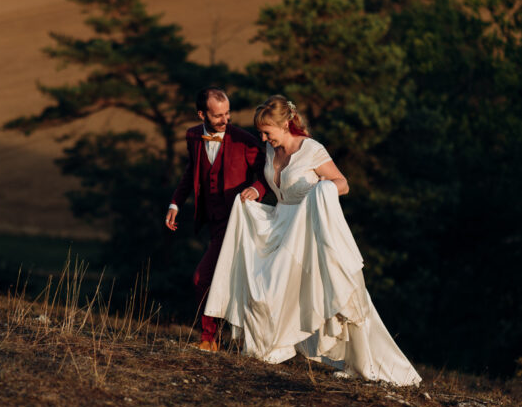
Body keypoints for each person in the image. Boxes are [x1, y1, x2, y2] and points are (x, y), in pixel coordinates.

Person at [204, 95, 421, 385]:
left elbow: (343, 183)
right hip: (278, 225)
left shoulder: (311, 150)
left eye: (267, 132)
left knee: (326, 290)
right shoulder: (271, 149)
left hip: (306, 229)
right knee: (263, 287)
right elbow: (272, 184)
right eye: (261, 133)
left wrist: (324, 191)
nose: (264, 138)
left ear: (285, 125)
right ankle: (267, 347)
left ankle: (362, 361)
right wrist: (257, 192)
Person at [165, 87, 268, 352]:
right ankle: (223, 339)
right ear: (202, 114)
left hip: (237, 222)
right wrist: (176, 202)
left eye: (228, 113)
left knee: (202, 277)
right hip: (212, 222)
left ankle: (209, 338)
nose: (226, 120)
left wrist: (256, 190)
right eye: (218, 115)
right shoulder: (192, 136)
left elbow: (267, 175)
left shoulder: (245, 140)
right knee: (228, 279)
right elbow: (192, 171)